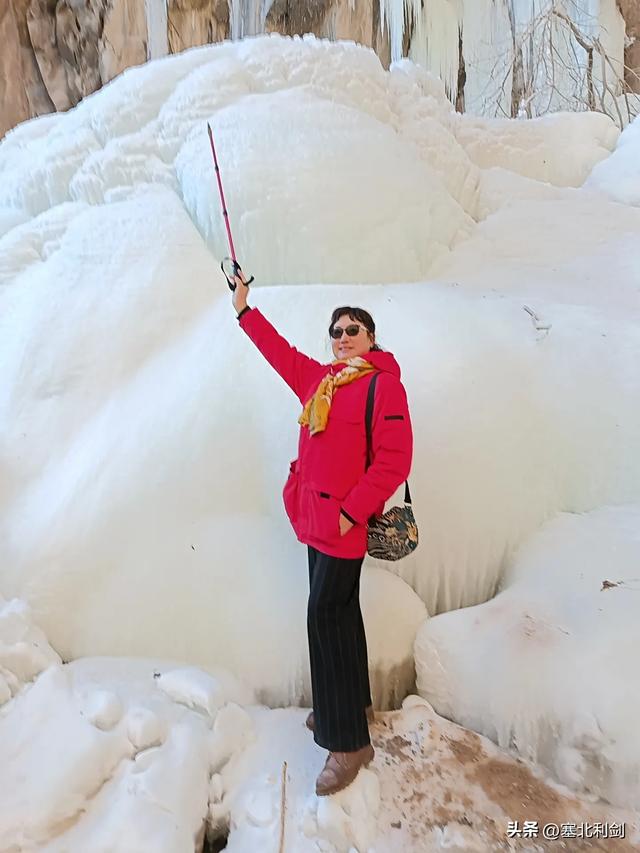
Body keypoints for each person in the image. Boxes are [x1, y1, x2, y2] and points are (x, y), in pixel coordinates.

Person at [231, 270, 413, 796]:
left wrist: (351, 514)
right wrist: (245, 310)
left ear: (372, 338)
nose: (342, 337)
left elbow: (394, 461)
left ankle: (347, 741)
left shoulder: (382, 385)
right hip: (315, 522)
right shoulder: (320, 382)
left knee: (324, 618)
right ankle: (350, 705)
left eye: (353, 329)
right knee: (340, 612)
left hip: (342, 527)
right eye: (335, 330)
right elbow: (277, 352)